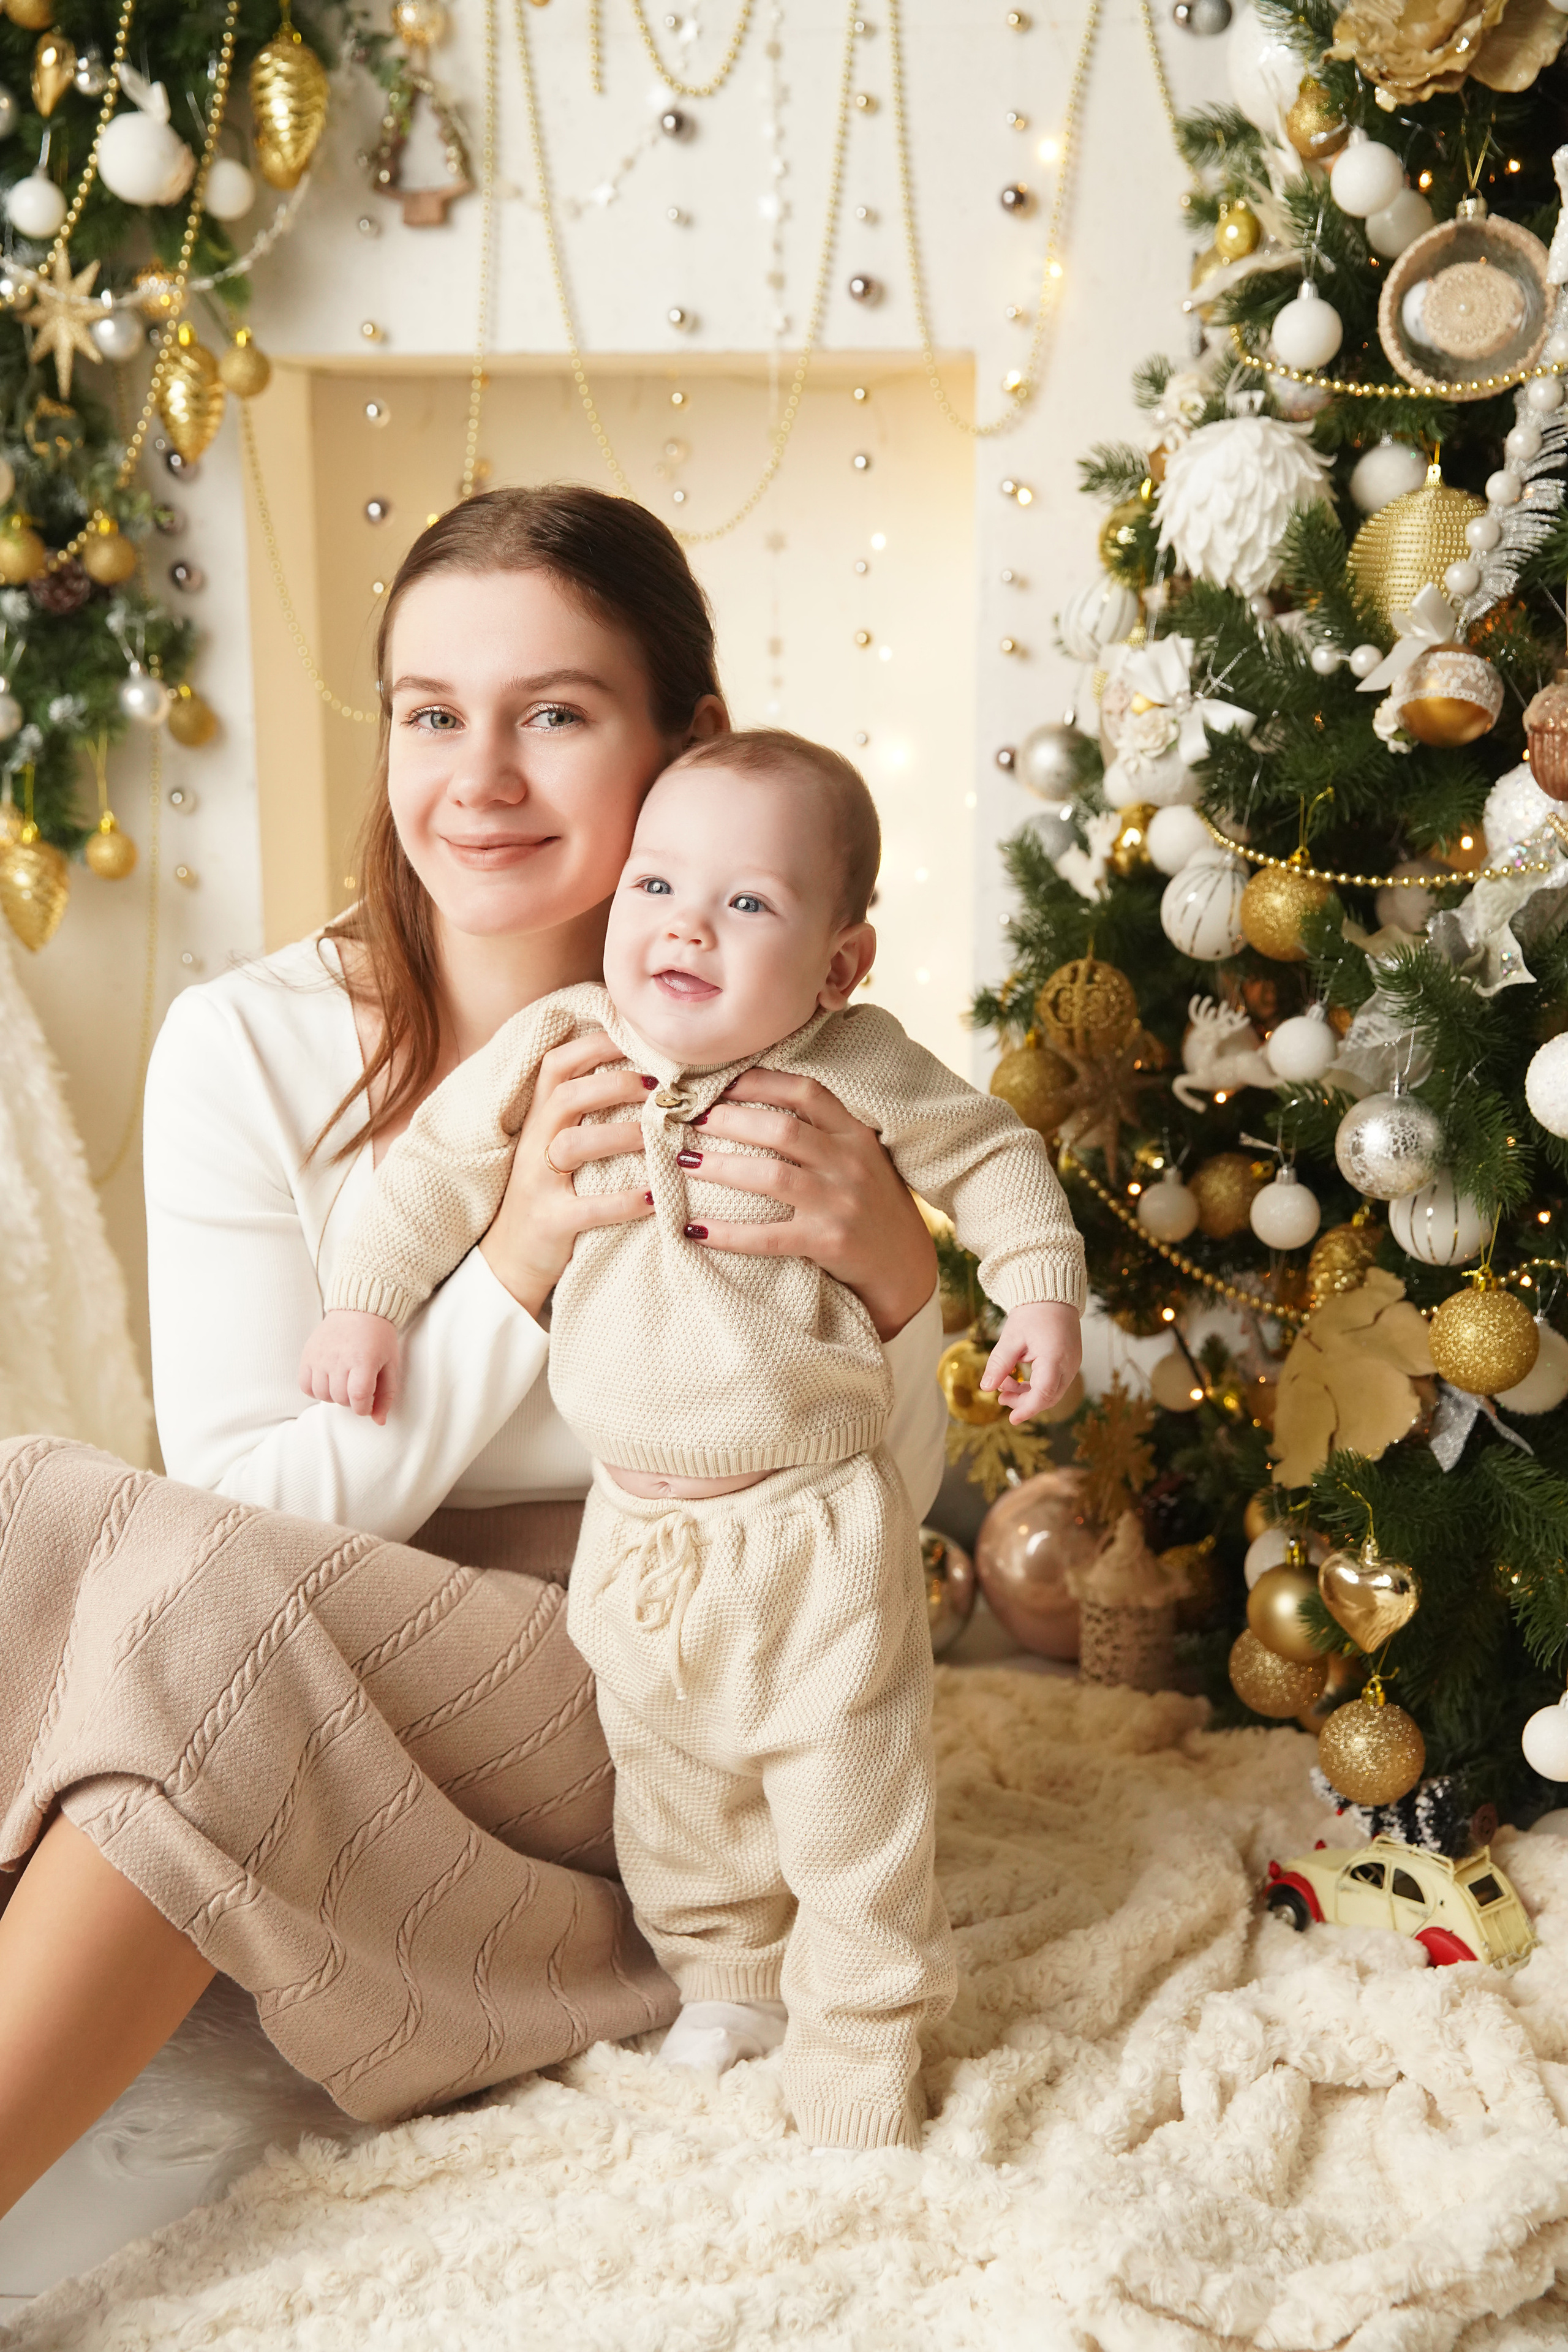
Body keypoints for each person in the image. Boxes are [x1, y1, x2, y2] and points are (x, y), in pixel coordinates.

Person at [0, 489, 949, 2220]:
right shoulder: (249, 1046)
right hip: (314, 1643)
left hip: (660, 1679)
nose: (479, 780)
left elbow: (870, 1528)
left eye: (557, 716)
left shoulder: (787, 1061)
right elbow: (248, 1510)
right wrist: (513, 1248)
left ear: (692, 744)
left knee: (191, 1638)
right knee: (37, 1519)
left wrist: (898, 1289)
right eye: (433, 716)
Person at [301, 727, 1087, 2151]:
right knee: (674, 1795)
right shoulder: (561, 1047)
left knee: (852, 1811)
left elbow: (994, 1155)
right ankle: (726, 1985)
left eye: (746, 905)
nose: (684, 927)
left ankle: (857, 2042)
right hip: (639, 1531)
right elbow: (427, 1173)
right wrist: (366, 1306)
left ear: (838, 963)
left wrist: (1037, 1289)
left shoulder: (856, 1066)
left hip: (809, 1531)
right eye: (656, 885)